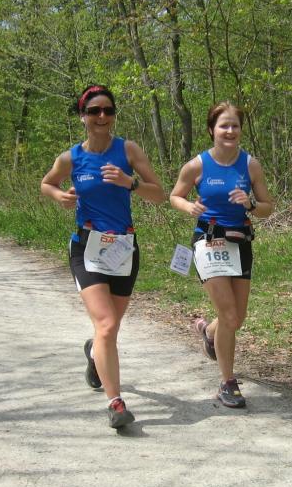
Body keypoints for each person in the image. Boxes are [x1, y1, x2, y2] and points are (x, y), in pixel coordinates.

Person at [40, 85, 165, 428]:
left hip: (123, 247)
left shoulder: (128, 150)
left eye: (108, 110)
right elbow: (47, 183)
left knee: (109, 329)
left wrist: (130, 182)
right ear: (82, 116)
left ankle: (95, 353)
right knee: (107, 324)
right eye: (94, 111)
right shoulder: (71, 158)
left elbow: (159, 194)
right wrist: (58, 196)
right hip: (87, 247)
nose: (102, 116)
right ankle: (116, 403)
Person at [170, 101, 274, 408]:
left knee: (236, 318)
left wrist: (250, 204)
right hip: (209, 240)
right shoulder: (197, 165)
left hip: (240, 241)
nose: (230, 131)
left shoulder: (251, 165)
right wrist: (189, 206)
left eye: (235, 126)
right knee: (229, 314)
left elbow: (268, 208)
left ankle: (209, 332)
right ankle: (227, 383)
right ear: (211, 130)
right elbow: (175, 195)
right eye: (223, 126)